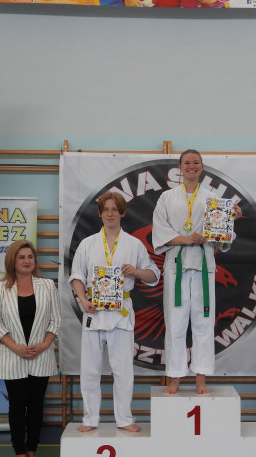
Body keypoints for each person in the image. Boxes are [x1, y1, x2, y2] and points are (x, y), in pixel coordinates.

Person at [152, 149, 242, 394]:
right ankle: (175, 378)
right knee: (175, 323)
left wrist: (231, 218)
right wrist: (186, 239)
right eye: (186, 162)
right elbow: (159, 233)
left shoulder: (213, 199)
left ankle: (201, 378)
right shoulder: (167, 198)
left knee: (203, 322)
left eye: (196, 162)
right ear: (180, 167)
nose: (191, 166)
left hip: (204, 266)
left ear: (201, 167)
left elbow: (221, 236)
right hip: (176, 267)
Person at [69, 191, 160, 433]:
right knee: (90, 369)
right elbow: (77, 276)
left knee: (123, 370)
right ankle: (90, 419)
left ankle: (125, 419)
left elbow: (153, 275)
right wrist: (83, 300)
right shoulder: (88, 244)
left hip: (121, 313)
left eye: (114, 209)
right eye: (106, 209)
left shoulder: (134, 244)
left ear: (122, 212)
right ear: (100, 214)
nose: (110, 214)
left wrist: (136, 272)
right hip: (94, 311)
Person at [0, 240, 60, 457]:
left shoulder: (47, 285)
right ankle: (19, 454)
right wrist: (17, 348)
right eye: (22, 257)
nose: (27, 261)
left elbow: (56, 320)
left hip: (41, 354)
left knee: (37, 405)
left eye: (30, 257)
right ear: (12, 260)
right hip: (12, 355)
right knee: (17, 406)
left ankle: (32, 452)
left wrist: (45, 344)